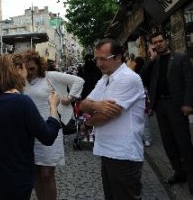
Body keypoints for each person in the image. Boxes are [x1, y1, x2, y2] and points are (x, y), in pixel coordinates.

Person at [0, 54, 61, 200]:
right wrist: (53, 107)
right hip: (16, 174)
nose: (27, 73)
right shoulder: (22, 102)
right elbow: (48, 136)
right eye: (24, 68)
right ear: (18, 70)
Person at [80, 38, 145, 200]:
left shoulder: (128, 78)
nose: (98, 63)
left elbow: (107, 115)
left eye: (103, 59)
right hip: (108, 150)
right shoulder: (105, 78)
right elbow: (83, 104)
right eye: (97, 59)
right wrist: (97, 105)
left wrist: (87, 123)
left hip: (123, 153)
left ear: (118, 58)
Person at [22, 51, 84, 200]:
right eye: (26, 69)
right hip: (30, 131)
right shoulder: (21, 80)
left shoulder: (50, 76)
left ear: (39, 66)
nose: (29, 72)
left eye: (32, 69)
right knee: (36, 173)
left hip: (50, 127)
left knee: (47, 174)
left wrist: (68, 98)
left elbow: (79, 81)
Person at [140, 32, 193, 193]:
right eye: (154, 42)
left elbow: (190, 82)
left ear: (167, 41)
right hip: (160, 106)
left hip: (177, 106)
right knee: (168, 143)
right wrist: (151, 59)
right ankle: (179, 172)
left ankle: (192, 178)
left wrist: (188, 103)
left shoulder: (180, 58)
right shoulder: (154, 61)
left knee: (183, 143)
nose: (158, 44)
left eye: (160, 41)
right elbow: (142, 78)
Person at [134, 56, 152, 147]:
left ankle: (142, 138)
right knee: (145, 121)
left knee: (139, 121)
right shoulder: (147, 71)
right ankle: (147, 139)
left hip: (139, 98)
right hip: (144, 96)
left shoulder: (135, 71)